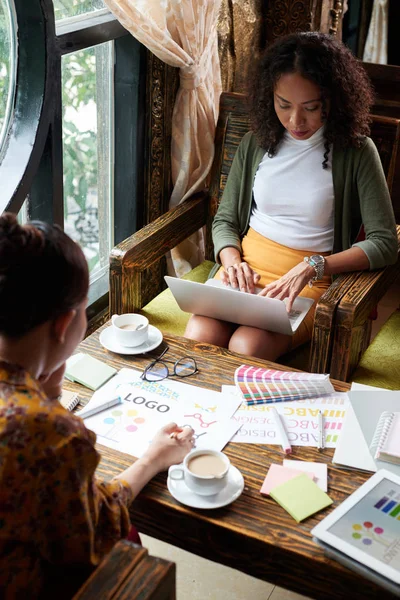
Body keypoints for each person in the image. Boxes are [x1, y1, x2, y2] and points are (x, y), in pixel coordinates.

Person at [0, 213, 195, 599]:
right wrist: (152, 459)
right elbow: (92, 539)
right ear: (65, 324)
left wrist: (48, 391)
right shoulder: (50, 433)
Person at [185, 32, 397, 361]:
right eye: (283, 105)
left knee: (247, 346)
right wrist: (231, 262)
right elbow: (225, 220)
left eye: (311, 108)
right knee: (199, 337)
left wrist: (314, 266)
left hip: (307, 284)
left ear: (333, 100)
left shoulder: (356, 152)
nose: (295, 121)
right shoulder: (255, 143)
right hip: (244, 276)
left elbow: (384, 243)